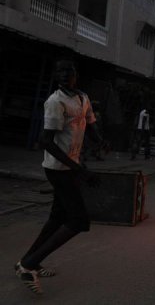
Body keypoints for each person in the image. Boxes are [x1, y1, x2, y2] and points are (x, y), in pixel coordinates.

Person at [15, 59, 103, 294]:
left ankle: (27, 259)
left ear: (76, 75)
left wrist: (100, 141)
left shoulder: (82, 98)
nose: (64, 75)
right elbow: (46, 141)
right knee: (79, 221)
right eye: (60, 72)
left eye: (68, 72)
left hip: (70, 167)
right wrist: (80, 170)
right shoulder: (55, 102)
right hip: (57, 168)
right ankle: (29, 265)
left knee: (57, 217)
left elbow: (90, 123)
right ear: (56, 77)